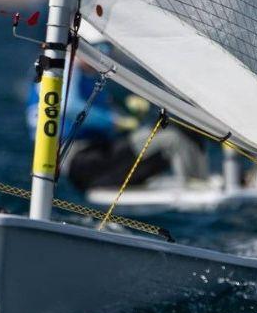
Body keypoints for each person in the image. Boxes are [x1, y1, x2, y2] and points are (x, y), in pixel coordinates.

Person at [25, 26, 208, 191]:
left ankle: (197, 180)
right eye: (100, 50)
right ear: (81, 47)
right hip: (81, 161)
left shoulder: (84, 75)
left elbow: (104, 111)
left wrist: (132, 115)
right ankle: (197, 188)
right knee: (172, 139)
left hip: (98, 153)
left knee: (179, 131)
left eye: (108, 50)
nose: (105, 56)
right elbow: (69, 106)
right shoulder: (63, 69)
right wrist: (116, 121)